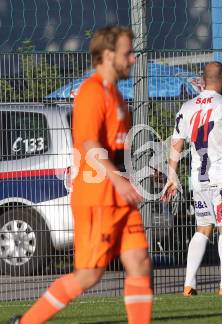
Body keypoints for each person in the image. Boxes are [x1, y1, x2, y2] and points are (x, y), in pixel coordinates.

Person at [10, 26, 153, 324]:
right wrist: (117, 180)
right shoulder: (91, 91)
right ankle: (26, 322)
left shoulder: (117, 96)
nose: (133, 59)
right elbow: (89, 144)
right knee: (89, 275)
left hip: (120, 199)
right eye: (128, 53)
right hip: (96, 199)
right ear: (108, 55)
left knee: (139, 262)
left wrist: (146, 174)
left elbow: (114, 151)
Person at [161, 61, 222, 296]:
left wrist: (171, 176)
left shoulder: (186, 107)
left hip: (199, 179)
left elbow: (176, 143)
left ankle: (189, 284)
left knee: (202, 229)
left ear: (203, 80)